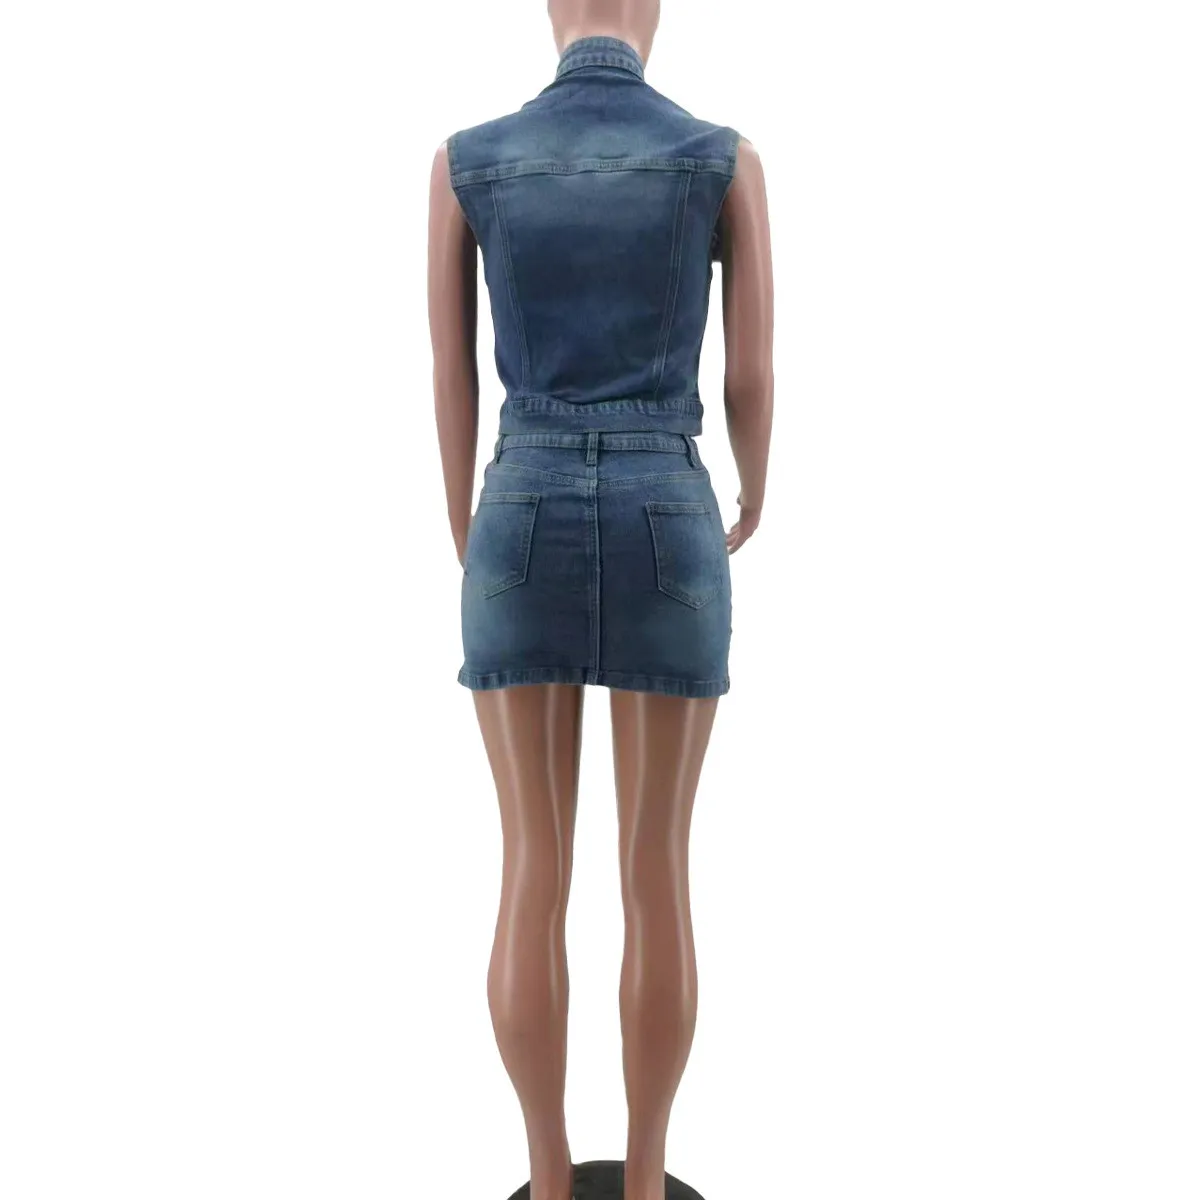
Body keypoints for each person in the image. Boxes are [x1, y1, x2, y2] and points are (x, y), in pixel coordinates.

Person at [426, 2, 773, 1197]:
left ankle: (546, 1178)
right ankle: (646, 1181)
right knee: (657, 868)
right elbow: (751, 374)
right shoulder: (721, 157)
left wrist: (468, 526)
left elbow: (449, 370)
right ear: (652, 9)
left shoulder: (468, 161)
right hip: (667, 507)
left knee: (530, 862)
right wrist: (757, 486)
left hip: (515, 504)